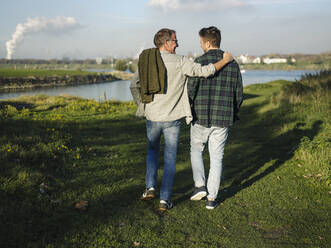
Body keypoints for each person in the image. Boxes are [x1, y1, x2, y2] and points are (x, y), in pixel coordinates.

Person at [130, 28, 233, 211]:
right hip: (173, 118)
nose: (178, 44)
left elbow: (133, 85)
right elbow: (205, 71)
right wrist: (225, 60)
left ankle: (150, 187)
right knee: (170, 158)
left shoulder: (145, 60)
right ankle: (164, 200)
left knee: (152, 151)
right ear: (167, 43)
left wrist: (143, 106)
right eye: (175, 41)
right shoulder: (181, 62)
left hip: (152, 116)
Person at [187, 26, 243, 209]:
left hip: (200, 116)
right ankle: (211, 198)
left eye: (202, 43)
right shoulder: (233, 64)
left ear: (208, 42)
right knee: (217, 158)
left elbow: (190, 90)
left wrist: (189, 109)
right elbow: (238, 94)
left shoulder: (199, 62)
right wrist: (232, 111)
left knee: (196, 150)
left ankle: (199, 185)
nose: (201, 46)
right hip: (223, 117)